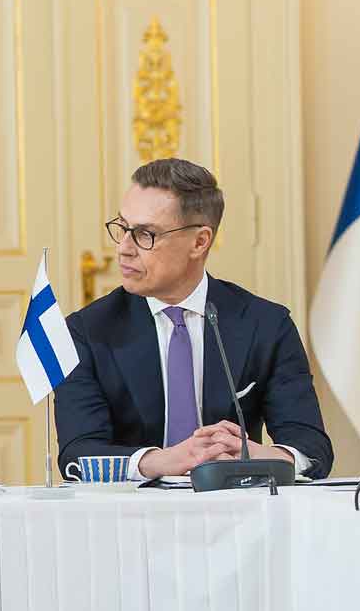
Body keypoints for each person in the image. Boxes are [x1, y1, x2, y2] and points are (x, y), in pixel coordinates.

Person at [55, 158, 332, 480]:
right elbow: (77, 454)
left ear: (200, 241)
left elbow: (312, 449)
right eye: (122, 228)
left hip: (235, 512)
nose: (124, 249)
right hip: (129, 516)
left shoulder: (266, 324)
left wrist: (258, 455)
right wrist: (162, 461)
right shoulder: (86, 331)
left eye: (145, 234)